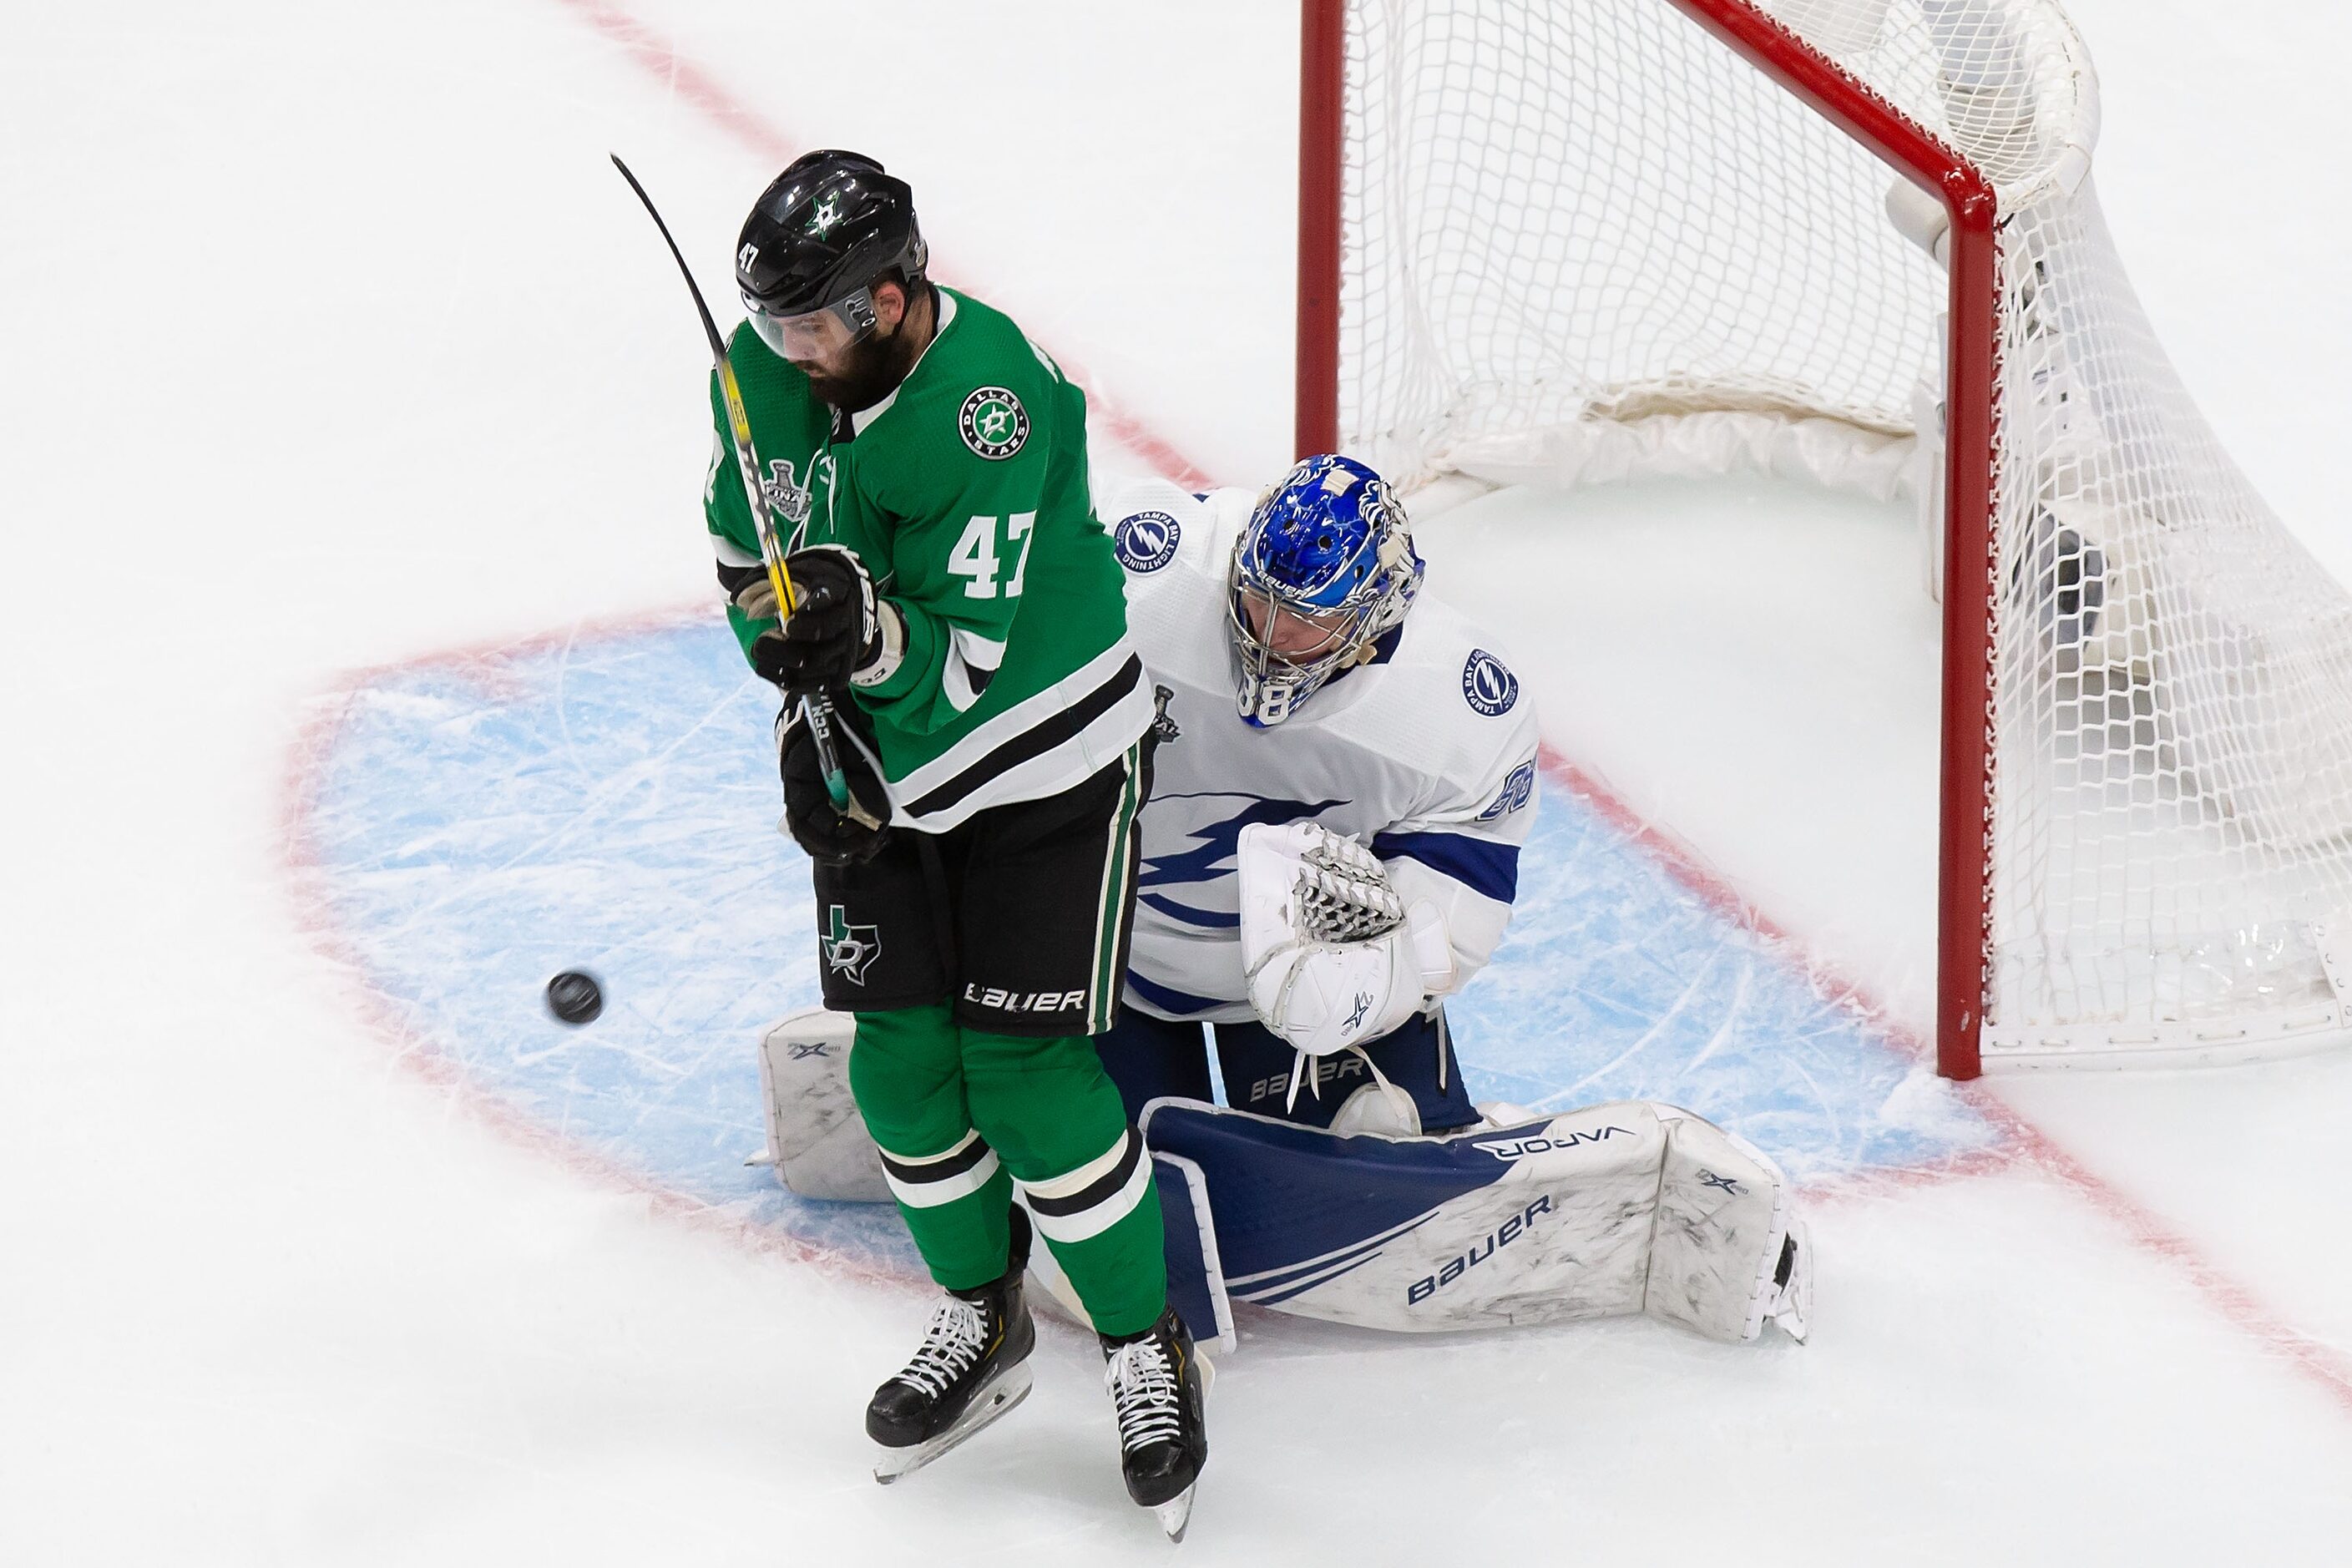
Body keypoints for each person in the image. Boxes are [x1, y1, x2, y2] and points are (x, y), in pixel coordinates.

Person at [701, 149, 1203, 1530]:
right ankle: (982, 1317)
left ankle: (1142, 1344)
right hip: (887, 762)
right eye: (776, 327)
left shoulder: (991, 407)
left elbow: (958, 671)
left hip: (1039, 760)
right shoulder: (756, 380)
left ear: (895, 292)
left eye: (819, 325)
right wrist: (786, 662)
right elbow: (748, 553)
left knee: (1026, 1076)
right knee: (905, 1071)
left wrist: (854, 644)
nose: (793, 354)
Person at [1093, 454, 1542, 1136]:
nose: (1270, 635)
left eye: (1304, 619)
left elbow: (1463, 876)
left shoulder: (1453, 706)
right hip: (1103, 956)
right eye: (1257, 599)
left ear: (1373, 614)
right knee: (1105, 1173)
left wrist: (1376, 982)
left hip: (1303, 979)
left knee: (1384, 1141)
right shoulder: (1147, 572)